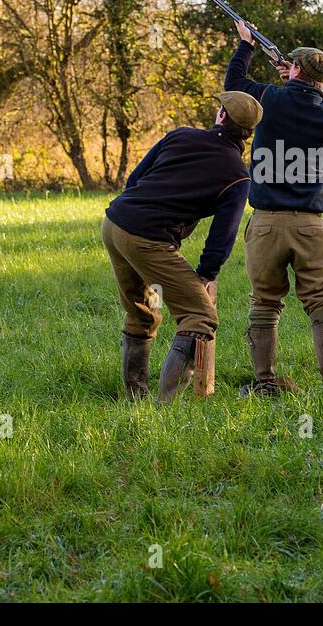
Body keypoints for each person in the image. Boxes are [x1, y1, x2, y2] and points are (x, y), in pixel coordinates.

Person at [101, 90, 262, 402]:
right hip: (148, 239)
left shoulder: (180, 136)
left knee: (142, 312)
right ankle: (165, 408)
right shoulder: (238, 176)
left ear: (221, 116)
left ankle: (137, 399)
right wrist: (205, 273)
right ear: (248, 133)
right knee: (200, 317)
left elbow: (134, 179)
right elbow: (223, 234)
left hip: (114, 223)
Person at [224, 20, 323, 395]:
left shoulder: (271, 99)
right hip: (311, 224)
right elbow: (309, 96)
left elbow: (235, 86)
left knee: (264, 304)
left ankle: (265, 382)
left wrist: (245, 45)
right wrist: (293, 76)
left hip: (266, 225)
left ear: (294, 71)